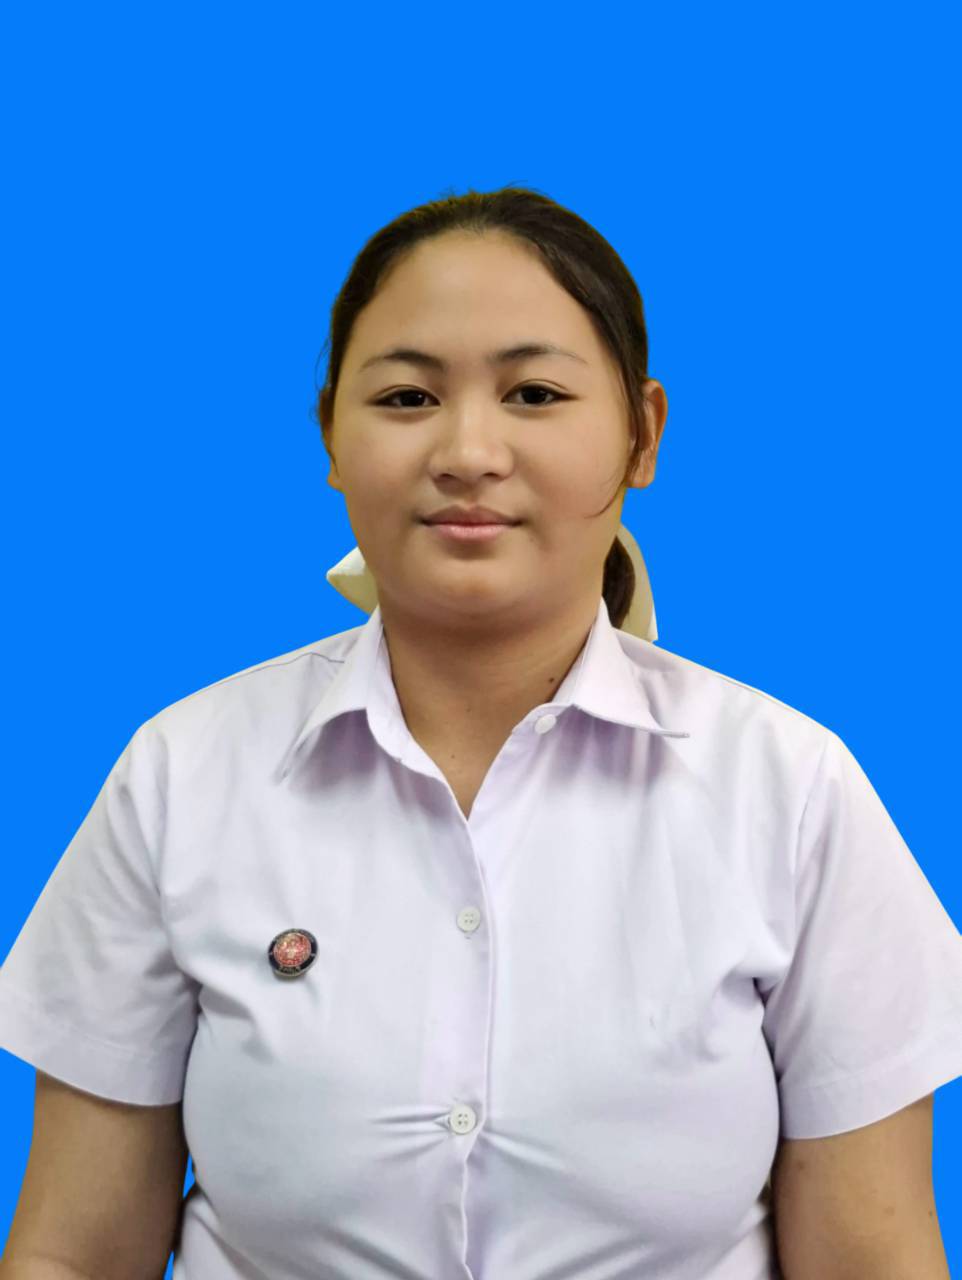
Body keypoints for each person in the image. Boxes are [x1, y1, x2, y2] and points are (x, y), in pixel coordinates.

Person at [2, 185, 961, 1279]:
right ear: (331, 434)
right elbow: (73, 1254)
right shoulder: (183, 775)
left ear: (642, 433)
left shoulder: (786, 789)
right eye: (407, 396)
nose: (467, 451)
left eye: (534, 393)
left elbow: (871, 1258)